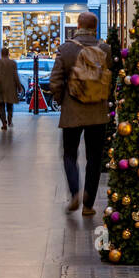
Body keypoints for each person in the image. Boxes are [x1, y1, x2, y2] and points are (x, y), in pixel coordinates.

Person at [48, 11, 111, 214]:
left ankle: (75, 192)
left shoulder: (66, 49)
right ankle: (88, 204)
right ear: (95, 27)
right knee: (94, 158)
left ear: (77, 25)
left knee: (69, 154)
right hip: (98, 112)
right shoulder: (105, 49)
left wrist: (62, 101)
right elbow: (112, 77)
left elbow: (55, 80)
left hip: (72, 111)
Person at [0, 46, 22, 130]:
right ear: (8, 53)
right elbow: (16, 76)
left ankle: (3, 122)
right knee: (10, 105)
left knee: (1, 106)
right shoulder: (13, 63)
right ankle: (9, 119)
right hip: (10, 87)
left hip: (0, 86)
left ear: (1, 53)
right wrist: (19, 86)